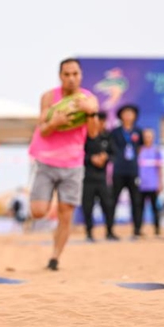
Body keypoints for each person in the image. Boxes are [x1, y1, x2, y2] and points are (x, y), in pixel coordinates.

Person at [28, 58, 99, 270]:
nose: (71, 78)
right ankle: (53, 225)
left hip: (73, 164)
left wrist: (90, 112)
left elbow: (94, 133)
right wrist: (55, 122)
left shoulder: (89, 99)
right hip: (46, 160)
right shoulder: (49, 97)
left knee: (65, 215)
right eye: (66, 74)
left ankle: (55, 258)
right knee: (38, 212)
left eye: (75, 74)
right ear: (60, 76)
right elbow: (43, 129)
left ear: (81, 75)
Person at [109, 104, 143, 237]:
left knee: (136, 201)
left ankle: (137, 229)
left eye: (131, 113)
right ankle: (110, 229)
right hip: (118, 171)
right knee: (113, 200)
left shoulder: (138, 131)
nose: (128, 115)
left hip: (133, 170)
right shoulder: (115, 132)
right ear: (121, 116)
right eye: (125, 113)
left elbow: (139, 148)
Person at [81, 111, 115, 241]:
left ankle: (109, 231)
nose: (100, 124)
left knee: (107, 204)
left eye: (102, 121)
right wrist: (91, 159)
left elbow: (114, 154)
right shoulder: (85, 137)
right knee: (87, 206)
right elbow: (78, 155)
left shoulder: (107, 137)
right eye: (97, 121)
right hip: (87, 178)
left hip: (102, 178)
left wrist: (105, 157)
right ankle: (89, 232)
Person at [138, 128, 164, 235]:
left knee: (155, 209)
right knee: (140, 209)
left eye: (149, 137)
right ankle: (139, 229)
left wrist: (160, 183)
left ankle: (157, 229)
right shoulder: (139, 150)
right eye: (146, 137)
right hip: (142, 185)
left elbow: (160, 168)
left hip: (153, 184)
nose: (147, 139)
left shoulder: (156, 151)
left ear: (153, 138)